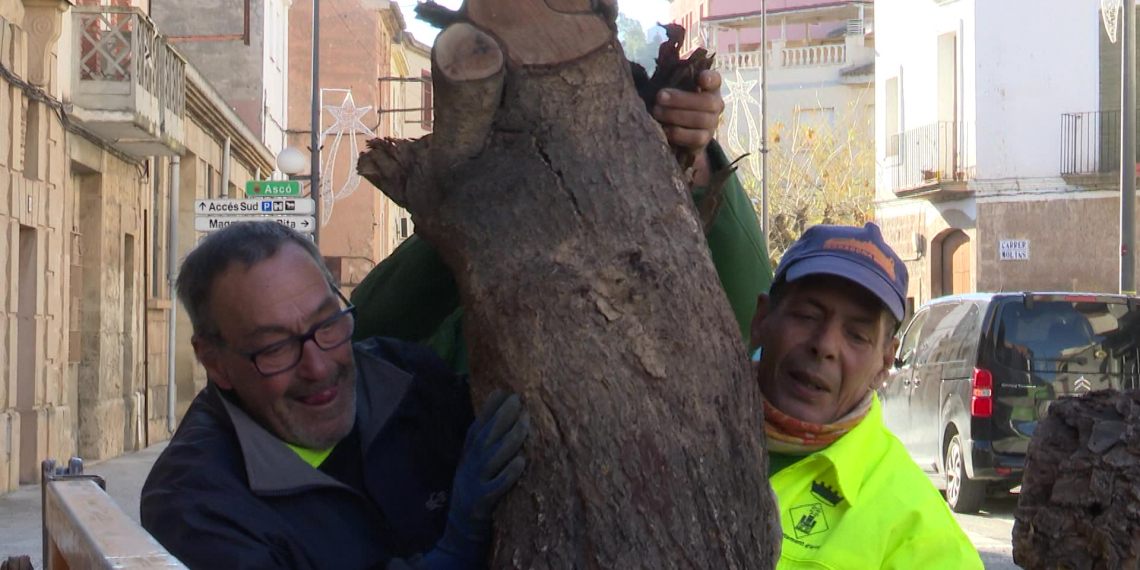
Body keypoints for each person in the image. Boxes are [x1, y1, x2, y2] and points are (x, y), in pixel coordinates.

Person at [141, 221, 529, 570]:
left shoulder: (404, 377)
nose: (319, 366)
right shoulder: (194, 504)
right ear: (216, 363)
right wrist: (452, 552)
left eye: (327, 323)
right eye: (276, 347)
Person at [350, 70, 774, 365]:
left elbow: (745, 318)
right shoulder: (487, 272)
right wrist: (481, 208)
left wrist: (696, 162)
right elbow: (368, 329)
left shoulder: (660, 272)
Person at [748, 222, 984, 569]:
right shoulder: (675, 431)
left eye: (857, 335)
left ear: (885, 362)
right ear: (762, 319)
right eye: (806, 315)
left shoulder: (919, 531)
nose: (825, 345)